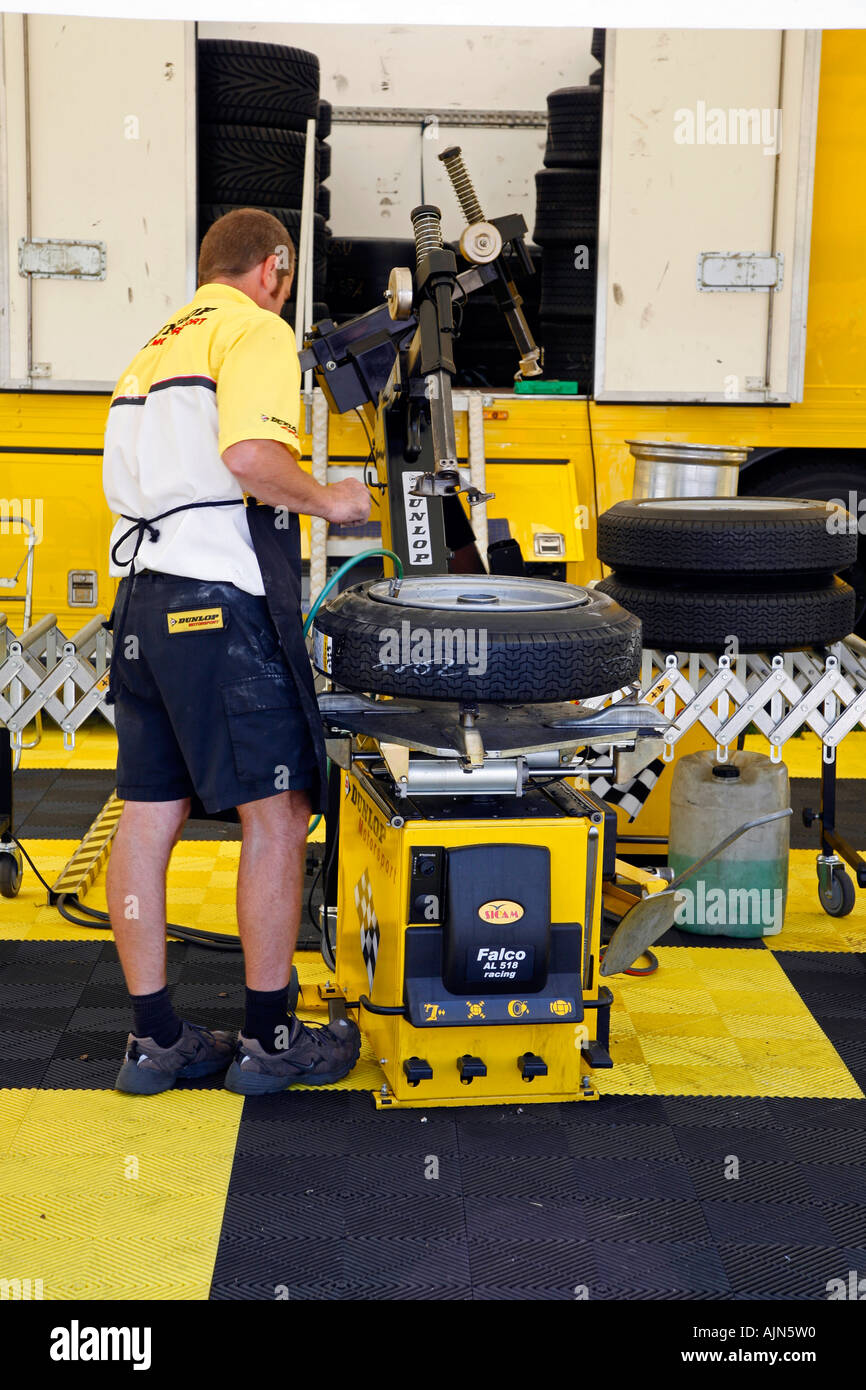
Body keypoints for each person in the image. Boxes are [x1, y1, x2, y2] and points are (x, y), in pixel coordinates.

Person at [102, 208, 371, 1096]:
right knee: (278, 814)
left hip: (142, 604)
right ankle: (270, 1037)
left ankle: (157, 1042)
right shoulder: (254, 329)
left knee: (146, 817)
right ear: (276, 270)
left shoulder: (155, 345)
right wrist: (329, 501)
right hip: (217, 606)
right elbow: (252, 453)